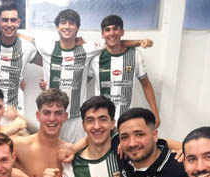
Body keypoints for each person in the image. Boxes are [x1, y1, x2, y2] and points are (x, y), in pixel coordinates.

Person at [28, 9, 150, 143]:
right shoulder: (47, 47)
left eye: (71, 23)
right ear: (57, 26)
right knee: (50, 151)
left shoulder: (88, 48)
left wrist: (139, 42)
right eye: (63, 23)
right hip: (53, 115)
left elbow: (114, 42)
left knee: (74, 154)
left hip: (76, 117)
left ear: (78, 28)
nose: (67, 26)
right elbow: (26, 40)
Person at [90, 15, 160, 124]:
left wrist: (155, 113)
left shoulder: (134, 55)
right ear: (102, 34)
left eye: (116, 29)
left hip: (126, 119)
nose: (112, 33)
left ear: (122, 32)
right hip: (102, 121)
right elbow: (83, 82)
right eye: (107, 30)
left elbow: (146, 84)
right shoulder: (95, 58)